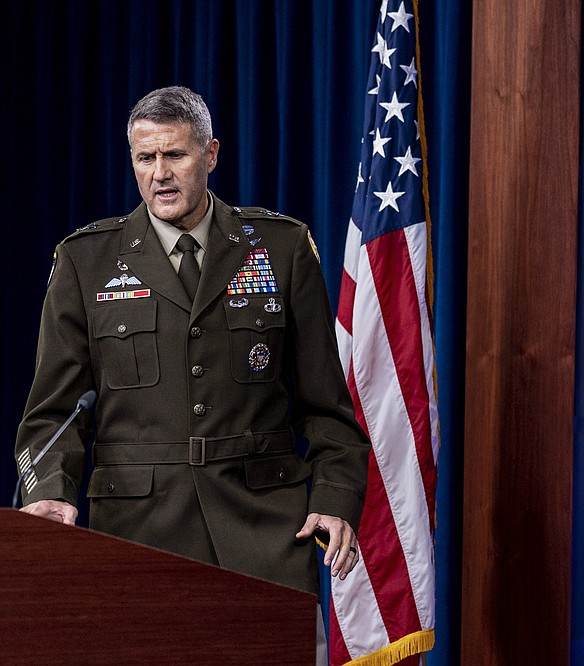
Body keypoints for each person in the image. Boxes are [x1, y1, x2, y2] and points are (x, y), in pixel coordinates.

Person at [14, 86, 370, 602]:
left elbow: (326, 405)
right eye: (145, 157)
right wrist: (49, 490)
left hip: (264, 530)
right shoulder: (85, 260)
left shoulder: (280, 247)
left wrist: (337, 497)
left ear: (211, 153)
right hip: (136, 534)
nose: (159, 173)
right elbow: (54, 414)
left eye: (175, 155)